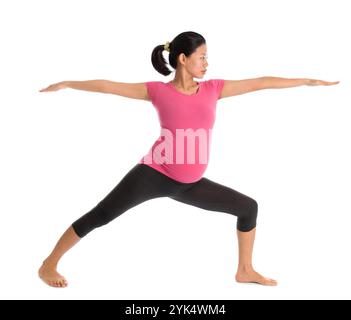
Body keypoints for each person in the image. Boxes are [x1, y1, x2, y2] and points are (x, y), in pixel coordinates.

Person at [38, 31, 339, 288]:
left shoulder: (213, 89)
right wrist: (68, 83)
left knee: (248, 208)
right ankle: (48, 264)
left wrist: (305, 81)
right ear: (183, 58)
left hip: (190, 184)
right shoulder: (157, 91)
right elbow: (107, 85)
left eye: (207, 58)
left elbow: (260, 82)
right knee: (102, 214)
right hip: (154, 173)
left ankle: (244, 270)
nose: (206, 64)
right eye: (202, 57)